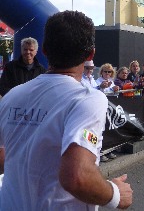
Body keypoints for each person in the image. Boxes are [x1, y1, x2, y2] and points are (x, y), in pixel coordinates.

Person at [0, 11, 133, 209]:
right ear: (90, 54)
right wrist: (115, 194)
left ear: (43, 50)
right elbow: (76, 176)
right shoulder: (88, 99)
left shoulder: (12, 96)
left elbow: (2, 159)